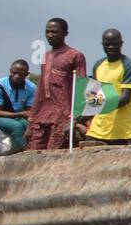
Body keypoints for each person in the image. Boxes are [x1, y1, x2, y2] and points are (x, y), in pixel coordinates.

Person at [27, 18, 87, 151]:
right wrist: (30, 122)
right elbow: (40, 90)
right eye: (47, 32)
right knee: (35, 153)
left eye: (54, 32)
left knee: (56, 154)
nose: (50, 35)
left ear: (65, 33)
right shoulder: (45, 56)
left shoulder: (75, 56)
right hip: (41, 116)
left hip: (62, 116)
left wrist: (74, 119)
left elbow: (81, 88)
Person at [84, 28, 131, 146]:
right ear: (102, 44)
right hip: (97, 131)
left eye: (114, 44)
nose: (110, 47)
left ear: (121, 44)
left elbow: (125, 98)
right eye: (107, 44)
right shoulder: (98, 65)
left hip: (121, 131)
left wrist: (99, 104)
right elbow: (93, 96)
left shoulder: (129, 66)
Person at [0, 60, 35, 152]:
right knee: (17, 126)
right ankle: (25, 151)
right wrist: (20, 114)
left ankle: (32, 146)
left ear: (27, 74)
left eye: (21, 74)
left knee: (30, 125)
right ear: (10, 71)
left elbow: (29, 111)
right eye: (14, 73)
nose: (16, 76)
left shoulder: (31, 87)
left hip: (18, 116)